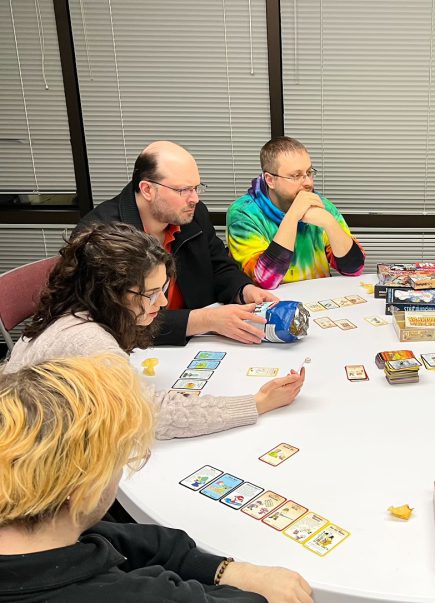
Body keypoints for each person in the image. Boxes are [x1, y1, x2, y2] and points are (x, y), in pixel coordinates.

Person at [0, 354, 313, 603]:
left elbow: (117, 536)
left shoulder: (42, 526)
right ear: (85, 489)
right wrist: (257, 588)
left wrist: (221, 569)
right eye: (119, 459)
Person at [3, 223, 304, 440]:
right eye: (150, 294)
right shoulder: (89, 340)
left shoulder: (73, 307)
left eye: (163, 289)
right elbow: (155, 415)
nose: (161, 302)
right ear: (109, 292)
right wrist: (258, 402)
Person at [76, 141, 278, 346]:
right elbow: (108, 317)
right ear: (147, 189)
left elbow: (218, 266)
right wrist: (205, 320)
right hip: (134, 352)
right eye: (184, 190)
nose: (195, 199)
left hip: (199, 343)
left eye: (196, 188)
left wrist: (244, 290)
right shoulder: (101, 235)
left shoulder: (192, 215)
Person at [226, 136, 365, 288]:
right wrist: (293, 216)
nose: (308, 182)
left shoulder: (319, 203)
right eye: (296, 176)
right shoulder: (243, 214)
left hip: (319, 300)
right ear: (270, 180)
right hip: (272, 304)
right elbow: (265, 280)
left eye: (309, 172)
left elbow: (354, 268)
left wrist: (329, 222)